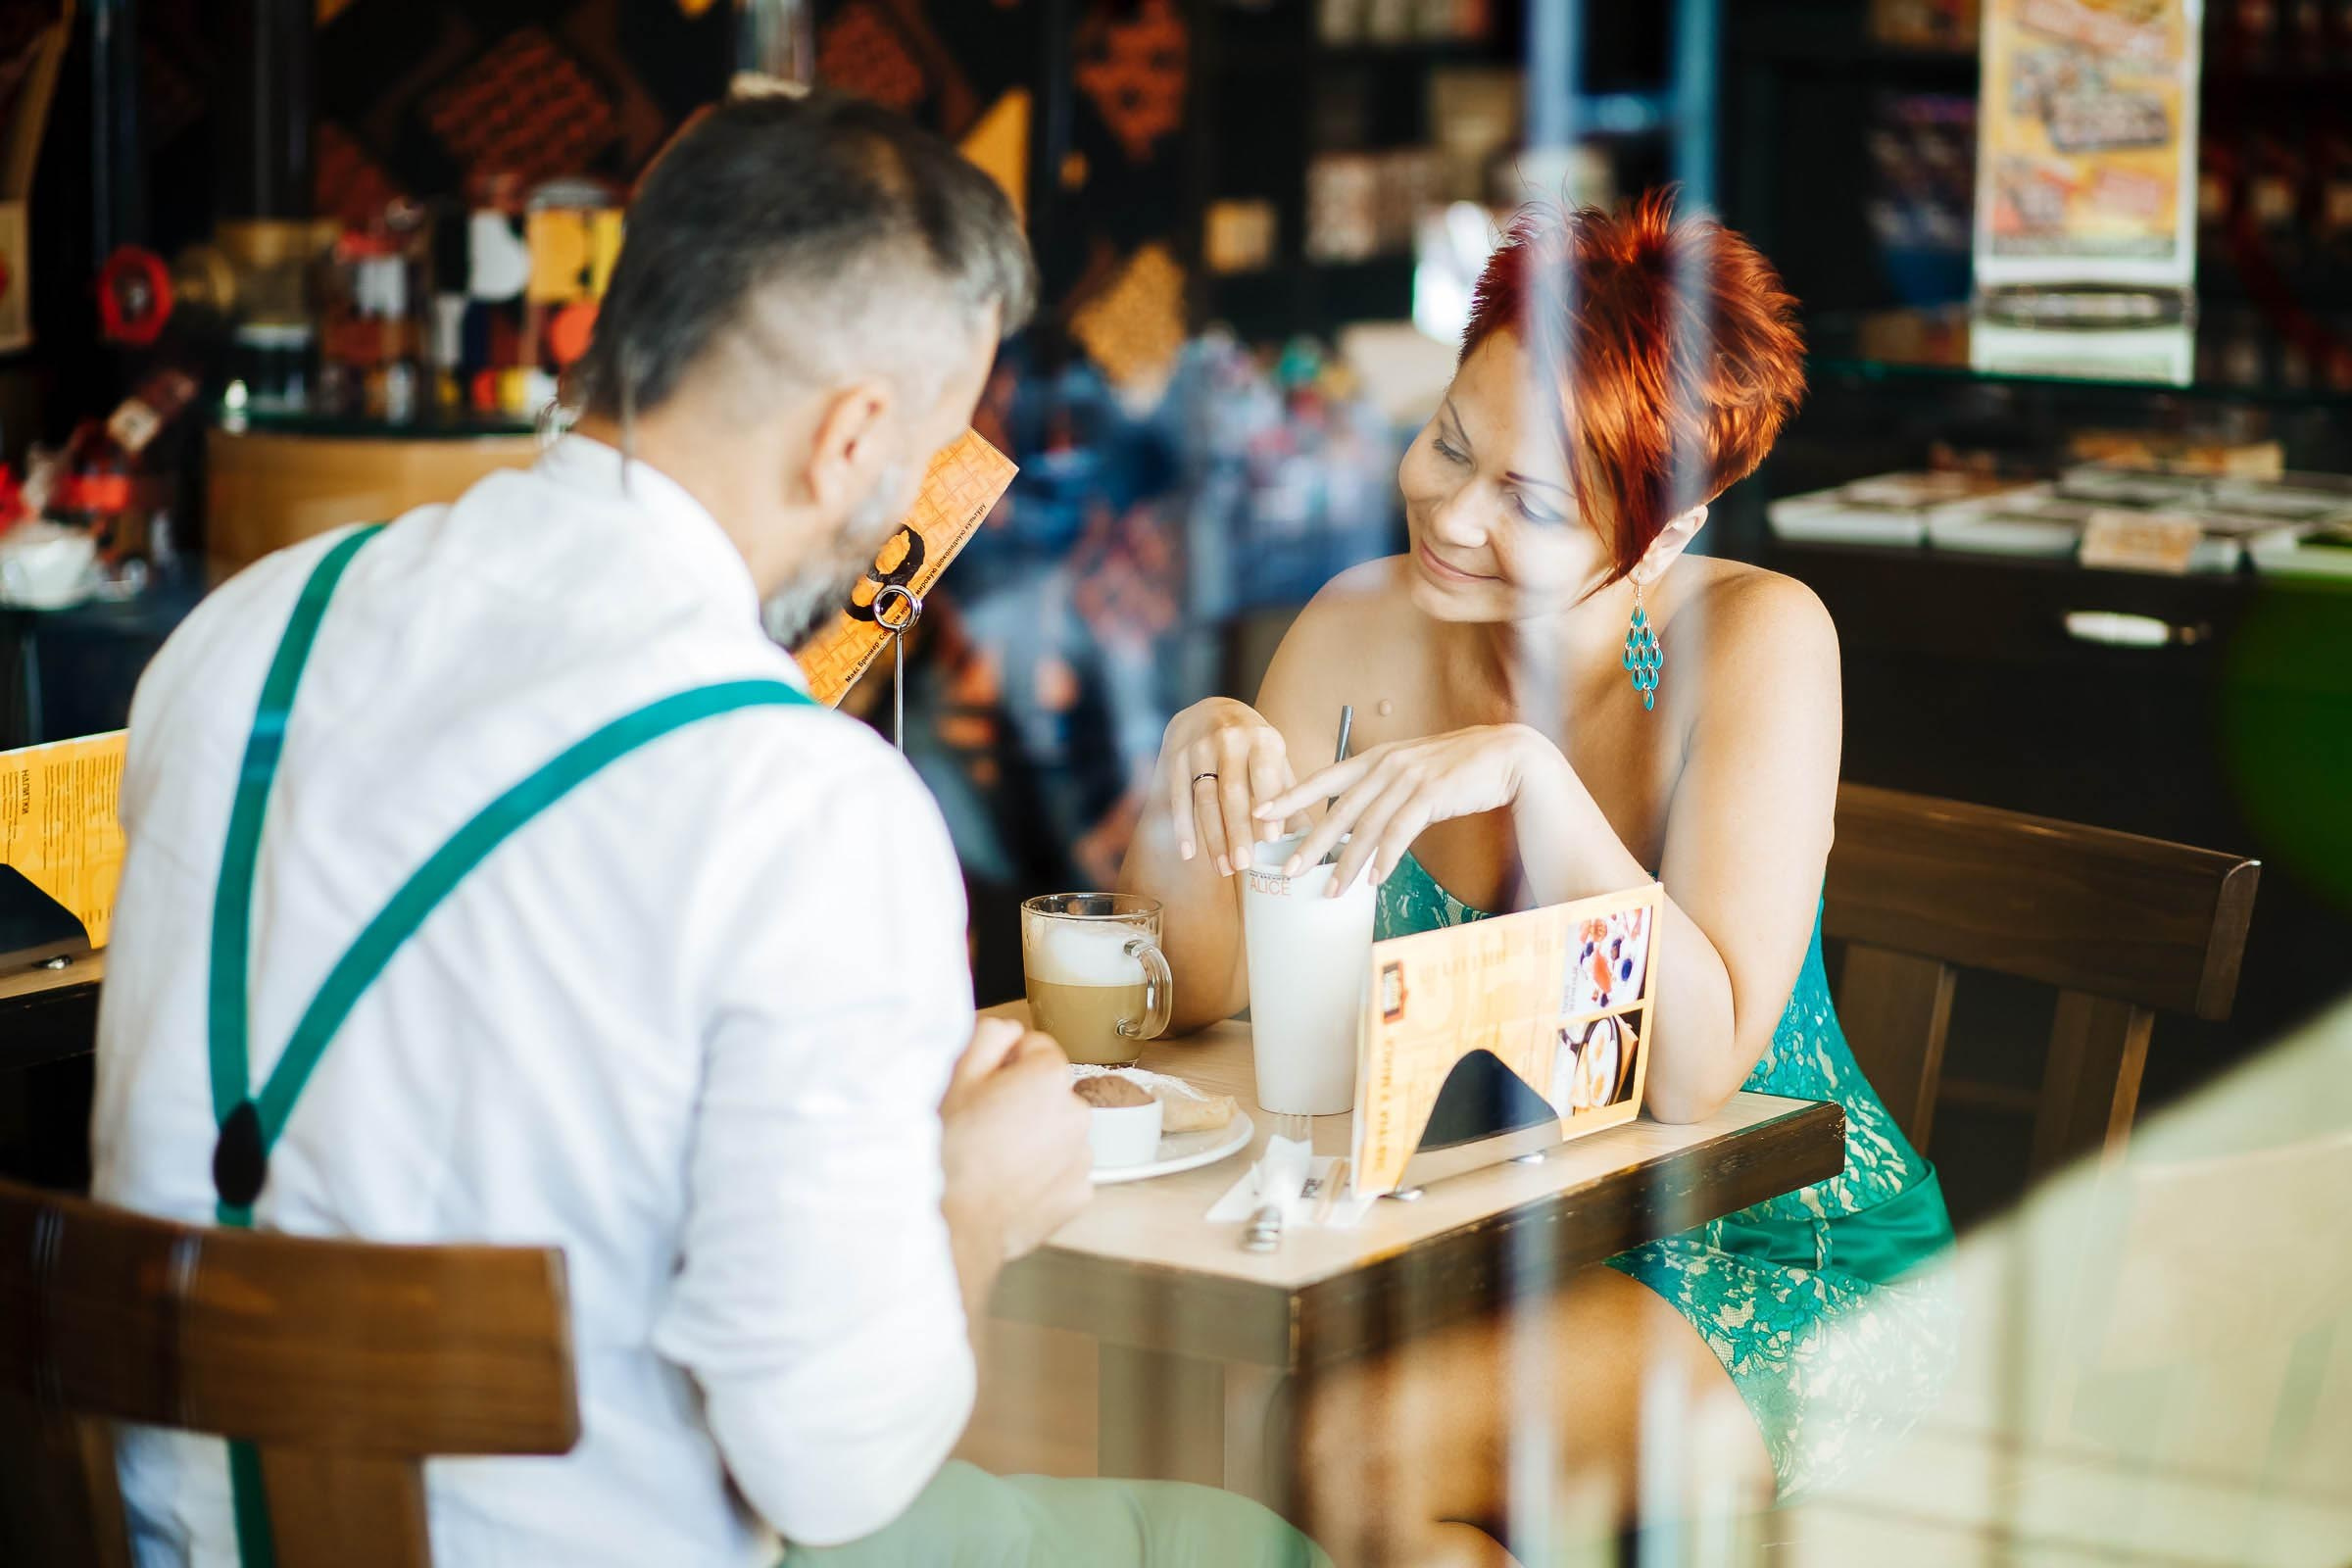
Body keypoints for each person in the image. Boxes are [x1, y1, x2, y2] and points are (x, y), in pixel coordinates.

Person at [92, 90, 1319, 1568]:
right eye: (926, 453)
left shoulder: (235, 647)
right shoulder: (801, 805)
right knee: (1260, 1544)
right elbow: (832, 1471)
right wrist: (971, 1203)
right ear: (853, 434)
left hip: (171, 1543)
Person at [1119, 194, 1956, 1563]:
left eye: (1533, 501)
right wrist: (1194, 768)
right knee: (1286, 1436)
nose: (1450, 514)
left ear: (1665, 531)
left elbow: (1693, 1077)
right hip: (1489, 1230)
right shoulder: (1356, 626)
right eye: (1451, 440)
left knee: (1347, 1451)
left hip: (1774, 1249)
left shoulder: (1758, 643)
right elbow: (1205, 996)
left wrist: (1532, 776)